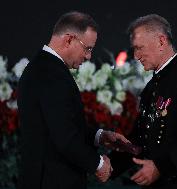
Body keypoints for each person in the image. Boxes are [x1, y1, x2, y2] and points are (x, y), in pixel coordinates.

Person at [17, 11, 129, 189]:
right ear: (69, 39)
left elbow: (59, 125)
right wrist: (99, 165)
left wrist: (100, 137)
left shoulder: (44, 67)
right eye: (88, 48)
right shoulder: (51, 74)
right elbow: (65, 138)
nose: (89, 56)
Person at [110, 14, 177, 189]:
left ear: (161, 41)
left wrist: (161, 167)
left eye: (139, 48)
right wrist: (109, 165)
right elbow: (140, 137)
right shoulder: (152, 86)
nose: (136, 55)